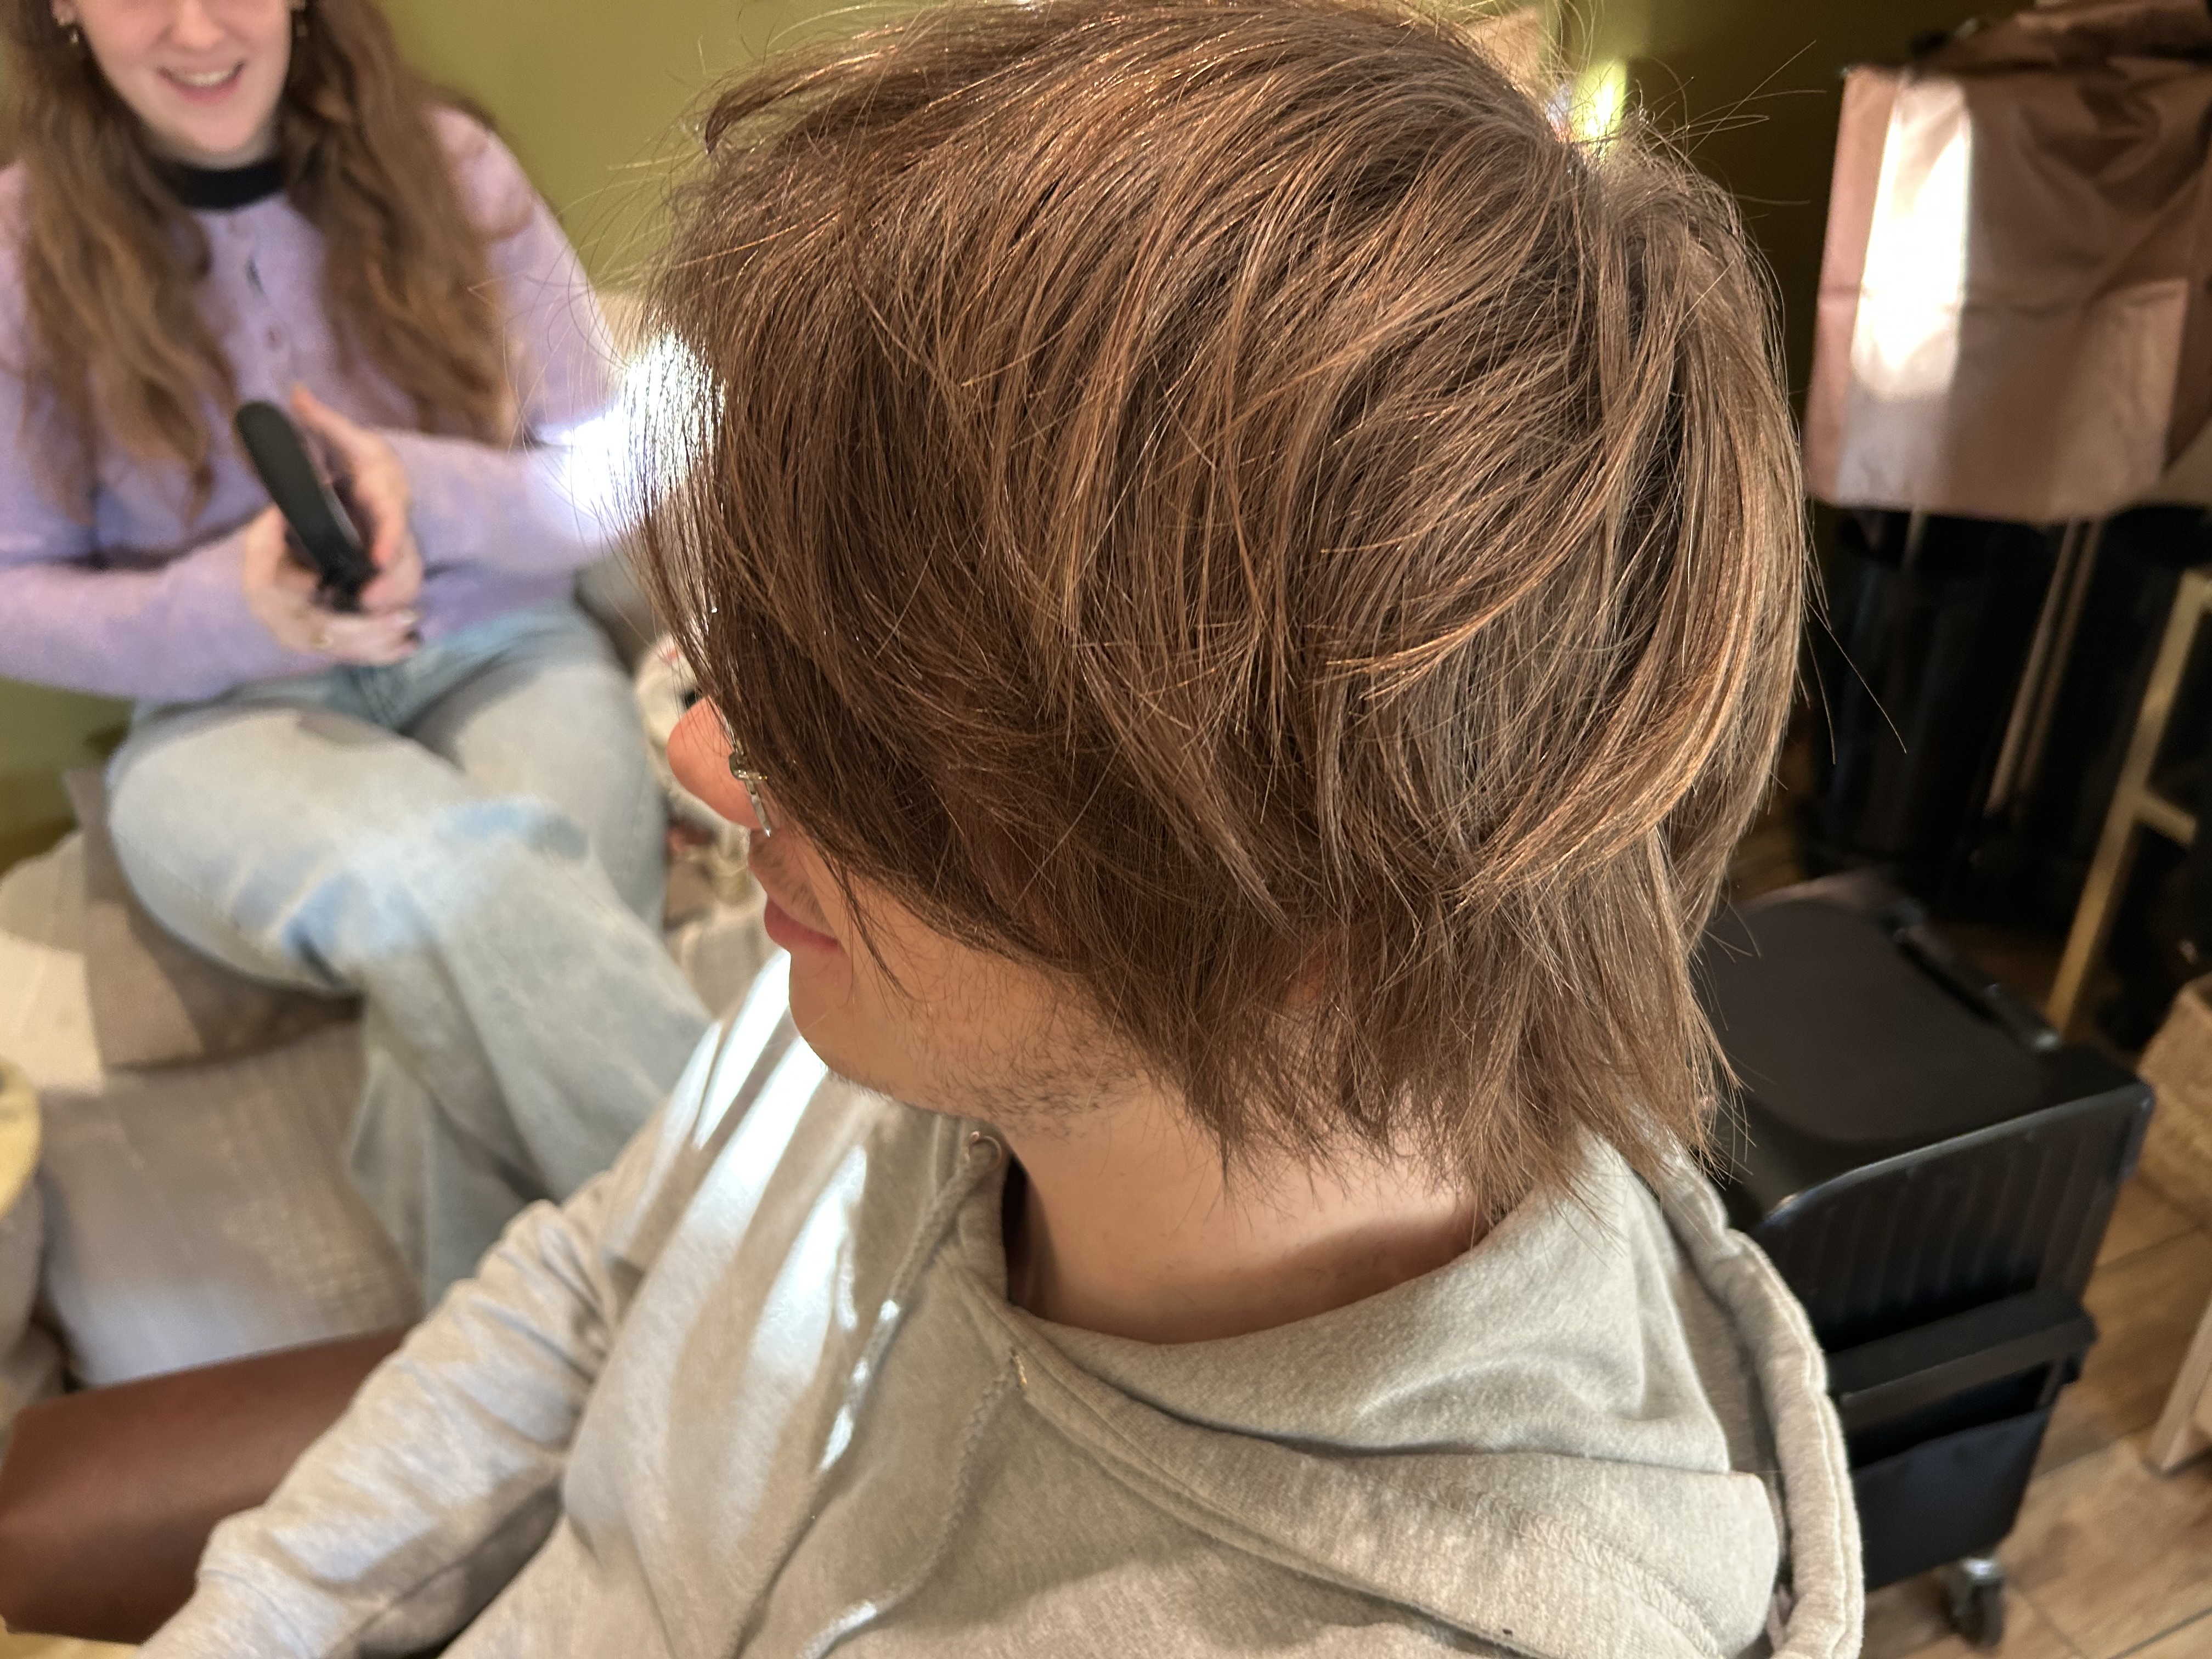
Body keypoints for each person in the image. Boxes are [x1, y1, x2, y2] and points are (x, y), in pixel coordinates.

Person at [143, 0, 1862, 1652]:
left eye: (848, 729)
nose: (707, 761)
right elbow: (599, 1275)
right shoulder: (884, 1005)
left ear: (1297, 913)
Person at [0, 0, 710, 1297]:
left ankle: (545, 1389)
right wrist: (229, 604)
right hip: (222, 721)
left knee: (464, 1010)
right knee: (471, 879)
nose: (196, 28)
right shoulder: (18, 250)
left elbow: (614, 472)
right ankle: (785, 1255)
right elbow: (12, 587)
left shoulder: (456, 171)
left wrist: (421, 490)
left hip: (504, 652)